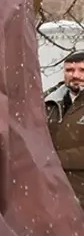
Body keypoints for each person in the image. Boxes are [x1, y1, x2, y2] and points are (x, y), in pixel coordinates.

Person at [45, 51, 84, 203]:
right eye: (69, 70)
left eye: (82, 70)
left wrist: (55, 159)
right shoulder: (50, 103)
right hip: (51, 190)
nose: (75, 75)